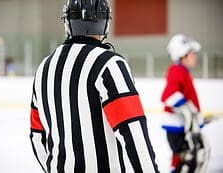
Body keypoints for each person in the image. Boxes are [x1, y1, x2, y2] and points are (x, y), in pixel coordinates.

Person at [29, 0, 159, 172]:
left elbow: (37, 136)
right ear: (104, 23)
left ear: (68, 22)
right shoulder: (110, 64)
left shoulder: (44, 67)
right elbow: (133, 132)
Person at [161, 34, 210, 173]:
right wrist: (190, 110)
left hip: (180, 127)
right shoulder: (178, 71)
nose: (195, 56)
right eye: (192, 53)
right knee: (187, 161)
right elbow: (168, 96)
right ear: (182, 55)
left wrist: (196, 117)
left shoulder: (182, 71)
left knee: (181, 161)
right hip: (177, 128)